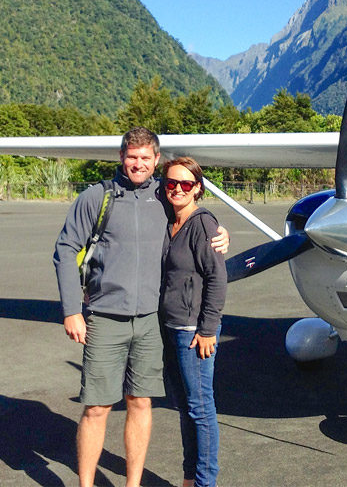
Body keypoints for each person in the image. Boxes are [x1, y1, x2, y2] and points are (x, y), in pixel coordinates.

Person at [53, 127, 229, 487]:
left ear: (155, 161)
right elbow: (66, 249)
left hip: (151, 321)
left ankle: (133, 484)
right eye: (132, 157)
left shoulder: (163, 197)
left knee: (140, 403)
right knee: (97, 407)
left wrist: (220, 231)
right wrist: (72, 309)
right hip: (105, 318)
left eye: (145, 158)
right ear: (122, 158)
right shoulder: (96, 197)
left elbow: (192, 213)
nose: (138, 164)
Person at [160, 157, 227, 487]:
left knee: (201, 409)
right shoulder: (168, 220)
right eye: (171, 183)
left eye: (185, 184)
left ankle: (205, 482)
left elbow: (217, 278)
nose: (177, 189)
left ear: (197, 189)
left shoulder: (203, 225)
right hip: (170, 326)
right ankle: (190, 477)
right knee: (186, 407)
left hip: (193, 330)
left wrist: (207, 330)